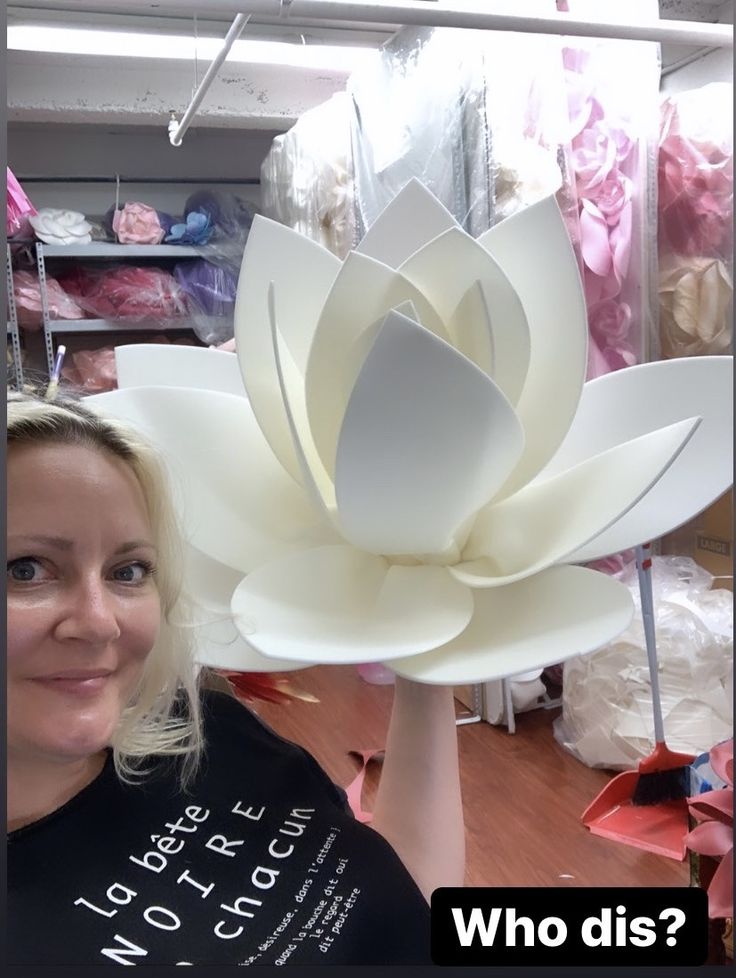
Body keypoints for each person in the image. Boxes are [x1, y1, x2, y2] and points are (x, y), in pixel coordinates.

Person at [7, 389, 465, 967]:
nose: (100, 622)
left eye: (128, 570)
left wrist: (430, 660)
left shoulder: (207, 732)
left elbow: (401, 898)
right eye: (25, 569)